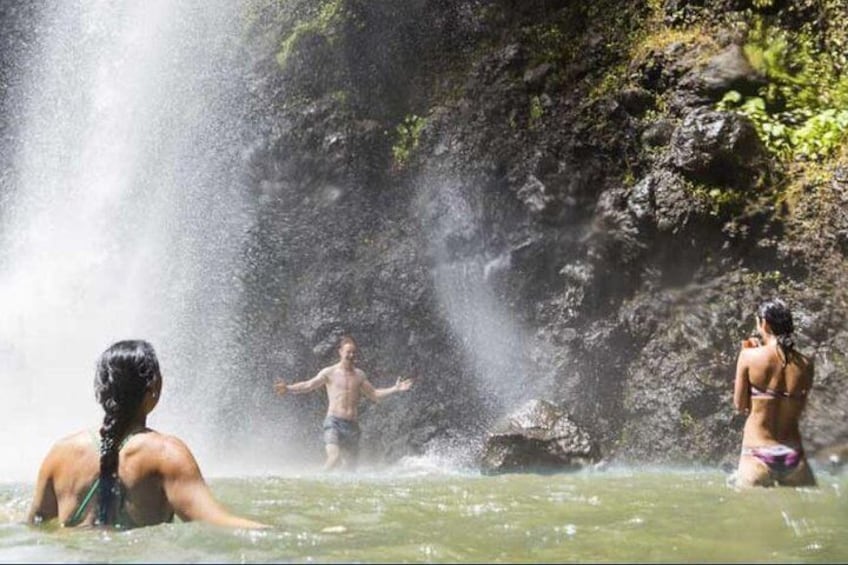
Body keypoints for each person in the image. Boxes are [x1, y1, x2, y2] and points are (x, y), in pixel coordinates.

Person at [28, 340, 267, 529]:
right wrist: (275, 531)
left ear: (101, 391)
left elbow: (35, 523)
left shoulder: (60, 453)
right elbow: (215, 522)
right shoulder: (165, 453)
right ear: (155, 387)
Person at [274, 335, 414, 470]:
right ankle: (318, 481)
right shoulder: (329, 372)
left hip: (352, 426)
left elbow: (374, 394)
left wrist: (396, 388)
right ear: (340, 352)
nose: (351, 355)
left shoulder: (359, 375)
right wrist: (288, 388)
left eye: (354, 352)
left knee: (350, 469)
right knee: (334, 457)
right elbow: (308, 385)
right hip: (333, 422)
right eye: (348, 352)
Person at [732, 298, 816, 487]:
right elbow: (800, 408)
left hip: (757, 453)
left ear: (765, 323)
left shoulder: (748, 356)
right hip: (793, 456)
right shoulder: (806, 364)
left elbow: (740, 406)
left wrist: (747, 355)